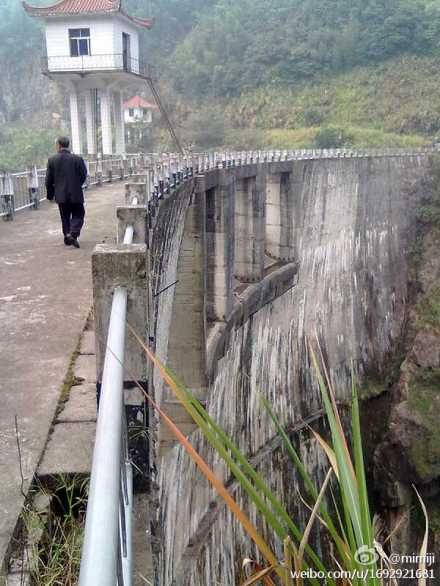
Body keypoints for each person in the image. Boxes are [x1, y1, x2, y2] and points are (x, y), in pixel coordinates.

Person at [45, 136, 88, 248]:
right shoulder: (77, 159)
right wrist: (77, 185)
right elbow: (83, 175)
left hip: (61, 195)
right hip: (76, 193)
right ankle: (73, 234)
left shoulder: (52, 160)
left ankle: (68, 235)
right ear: (67, 145)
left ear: (59, 145)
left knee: (65, 216)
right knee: (79, 214)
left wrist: (50, 195)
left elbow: (48, 180)